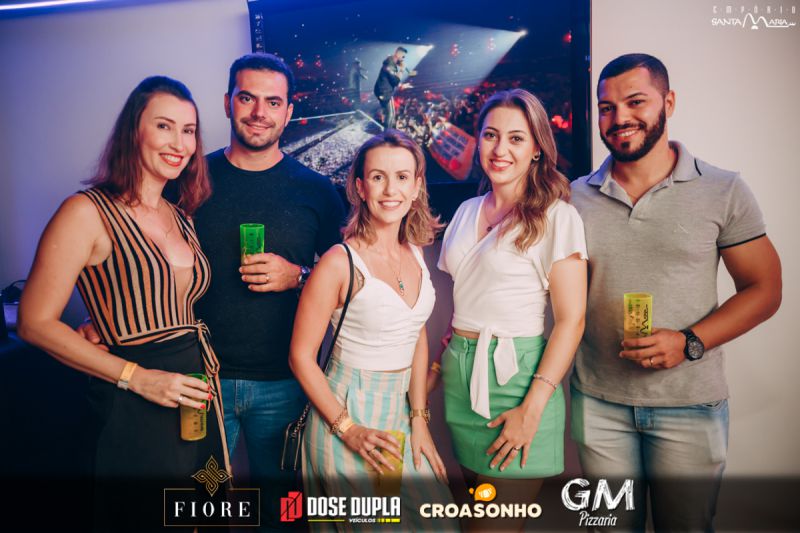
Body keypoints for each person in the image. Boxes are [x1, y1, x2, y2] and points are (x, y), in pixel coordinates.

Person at [78, 54, 346, 530]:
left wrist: (300, 276)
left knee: (283, 512)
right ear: (227, 103)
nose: (259, 112)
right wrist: (110, 318)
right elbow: (140, 254)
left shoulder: (318, 191)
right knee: (198, 507)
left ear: (289, 112)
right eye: (247, 98)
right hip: (196, 382)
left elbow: (345, 284)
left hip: (284, 383)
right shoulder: (184, 178)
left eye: (273, 102)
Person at [570, 53, 782, 532]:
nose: (619, 117)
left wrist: (688, 342)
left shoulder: (723, 189)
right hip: (599, 402)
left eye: (635, 102)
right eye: (606, 107)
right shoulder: (573, 197)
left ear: (668, 102)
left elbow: (765, 290)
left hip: (690, 404)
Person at [18, 76, 226, 532]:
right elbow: (33, 322)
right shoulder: (85, 211)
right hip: (132, 399)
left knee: (198, 516)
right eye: (164, 126)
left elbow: (155, 297)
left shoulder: (181, 216)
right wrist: (139, 378)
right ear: (135, 131)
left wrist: (111, 318)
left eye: (189, 130)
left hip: (192, 390)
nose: (179, 143)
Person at [435, 89, 588, 532]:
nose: (500, 149)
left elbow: (572, 321)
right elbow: (468, 299)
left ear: (537, 147)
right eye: (490, 135)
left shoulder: (558, 217)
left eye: (516, 138)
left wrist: (532, 409)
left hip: (518, 383)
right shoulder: (466, 211)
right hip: (461, 382)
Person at [290, 130, 457, 531]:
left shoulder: (415, 251)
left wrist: (419, 418)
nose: (390, 189)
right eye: (378, 177)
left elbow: (416, 332)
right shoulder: (338, 262)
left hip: (399, 413)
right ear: (360, 187)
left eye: (402, 177)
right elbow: (300, 357)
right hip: (346, 409)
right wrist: (348, 429)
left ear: (416, 187)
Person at [373, 46, 416, 129]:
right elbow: (395, 81)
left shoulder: (391, 63)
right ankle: (386, 133)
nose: (403, 59)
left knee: (390, 114)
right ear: (398, 54)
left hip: (384, 90)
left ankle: (386, 130)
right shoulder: (390, 65)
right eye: (403, 56)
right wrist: (402, 69)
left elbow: (391, 80)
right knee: (390, 115)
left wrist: (401, 85)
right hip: (384, 92)